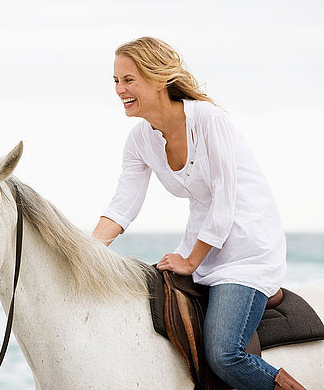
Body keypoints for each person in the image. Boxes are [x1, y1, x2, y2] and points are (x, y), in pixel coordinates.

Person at [92, 37, 305, 390]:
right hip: (201, 245)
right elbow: (122, 205)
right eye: (116, 81)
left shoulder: (207, 119)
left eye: (129, 79)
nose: (119, 89)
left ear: (159, 79)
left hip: (247, 247)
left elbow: (226, 201)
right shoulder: (139, 140)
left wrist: (190, 262)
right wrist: (83, 251)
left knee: (225, 354)